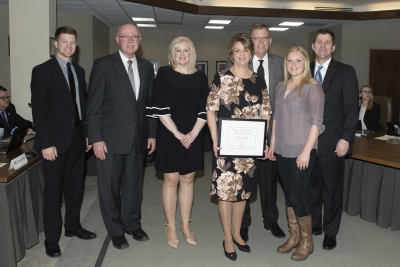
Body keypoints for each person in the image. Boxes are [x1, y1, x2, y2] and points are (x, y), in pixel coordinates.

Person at [86, 23, 157, 250]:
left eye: (134, 36)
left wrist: (152, 134)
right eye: (125, 36)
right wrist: (96, 138)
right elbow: (93, 105)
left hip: (138, 139)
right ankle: (115, 230)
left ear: (139, 39)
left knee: (134, 186)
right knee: (109, 188)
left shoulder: (146, 67)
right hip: (109, 140)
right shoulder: (103, 65)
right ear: (117, 39)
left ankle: (132, 224)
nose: (130, 40)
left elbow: (149, 105)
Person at [31, 26, 96, 258]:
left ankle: (73, 226)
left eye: (72, 42)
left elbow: (81, 106)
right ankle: (51, 238)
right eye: (64, 41)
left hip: (78, 140)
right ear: (55, 44)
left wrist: (87, 132)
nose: (69, 46)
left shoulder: (78, 71)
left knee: (75, 188)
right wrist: (46, 143)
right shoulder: (42, 71)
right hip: (54, 144)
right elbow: (39, 111)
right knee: (53, 192)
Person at [207, 33, 272, 261]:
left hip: (249, 148)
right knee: (226, 192)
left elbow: (265, 112)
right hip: (226, 145)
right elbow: (211, 109)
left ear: (251, 53)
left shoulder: (258, 80)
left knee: (243, 191)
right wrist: (215, 140)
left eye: (245, 50)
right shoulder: (221, 77)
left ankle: (237, 232)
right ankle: (227, 236)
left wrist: (263, 141)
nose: (242, 54)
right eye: (237, 50)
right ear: (231, 53)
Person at [146, 37, 208, 249]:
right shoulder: (164, 73)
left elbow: (204, 108)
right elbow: (159, 106)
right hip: (169, 134)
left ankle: (185, 225)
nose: (182, 54)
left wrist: (192, 133)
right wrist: (178, 134)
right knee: (171, 179)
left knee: (188, 178)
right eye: (178, 50)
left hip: (194, 134)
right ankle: (171, 226)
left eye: (186, 50)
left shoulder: (200, 77)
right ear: (172, 53)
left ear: (192, 53)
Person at [225, 23, 285, 241]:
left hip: (272, 130)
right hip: (243, 135)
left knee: (269, 180)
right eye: (256, 38)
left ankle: (271, 220)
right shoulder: (232, 65)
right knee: (245, 178)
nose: (260, 42)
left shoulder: (282, 63)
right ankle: (244, 224)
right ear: (249, 42)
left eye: (264, 38)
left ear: (270, 41)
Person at [269, 46, 325, 261]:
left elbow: (317, 123)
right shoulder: (281, 85)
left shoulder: (312, 88)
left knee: (297, 196)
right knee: (289, 196)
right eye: (290, 61)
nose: (293, 65)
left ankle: (306, 242)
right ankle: (293, 237)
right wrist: (272, 144)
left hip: (302, 150)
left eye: (298, 61)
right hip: (282, 150)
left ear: (305, 63)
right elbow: (276, 118)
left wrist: (306, 152)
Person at [306, 28, 359, 250]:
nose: (323, 46)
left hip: (333, 140)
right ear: (313, 46)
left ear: (333, 47)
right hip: (308, 142)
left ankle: (331, 231)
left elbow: (351, 110)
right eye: (319, 42)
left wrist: (346, 138)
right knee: (311, 187)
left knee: (332, 189)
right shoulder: (302, 70)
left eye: (327, 43)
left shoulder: (346, 71)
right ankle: (315, 224)